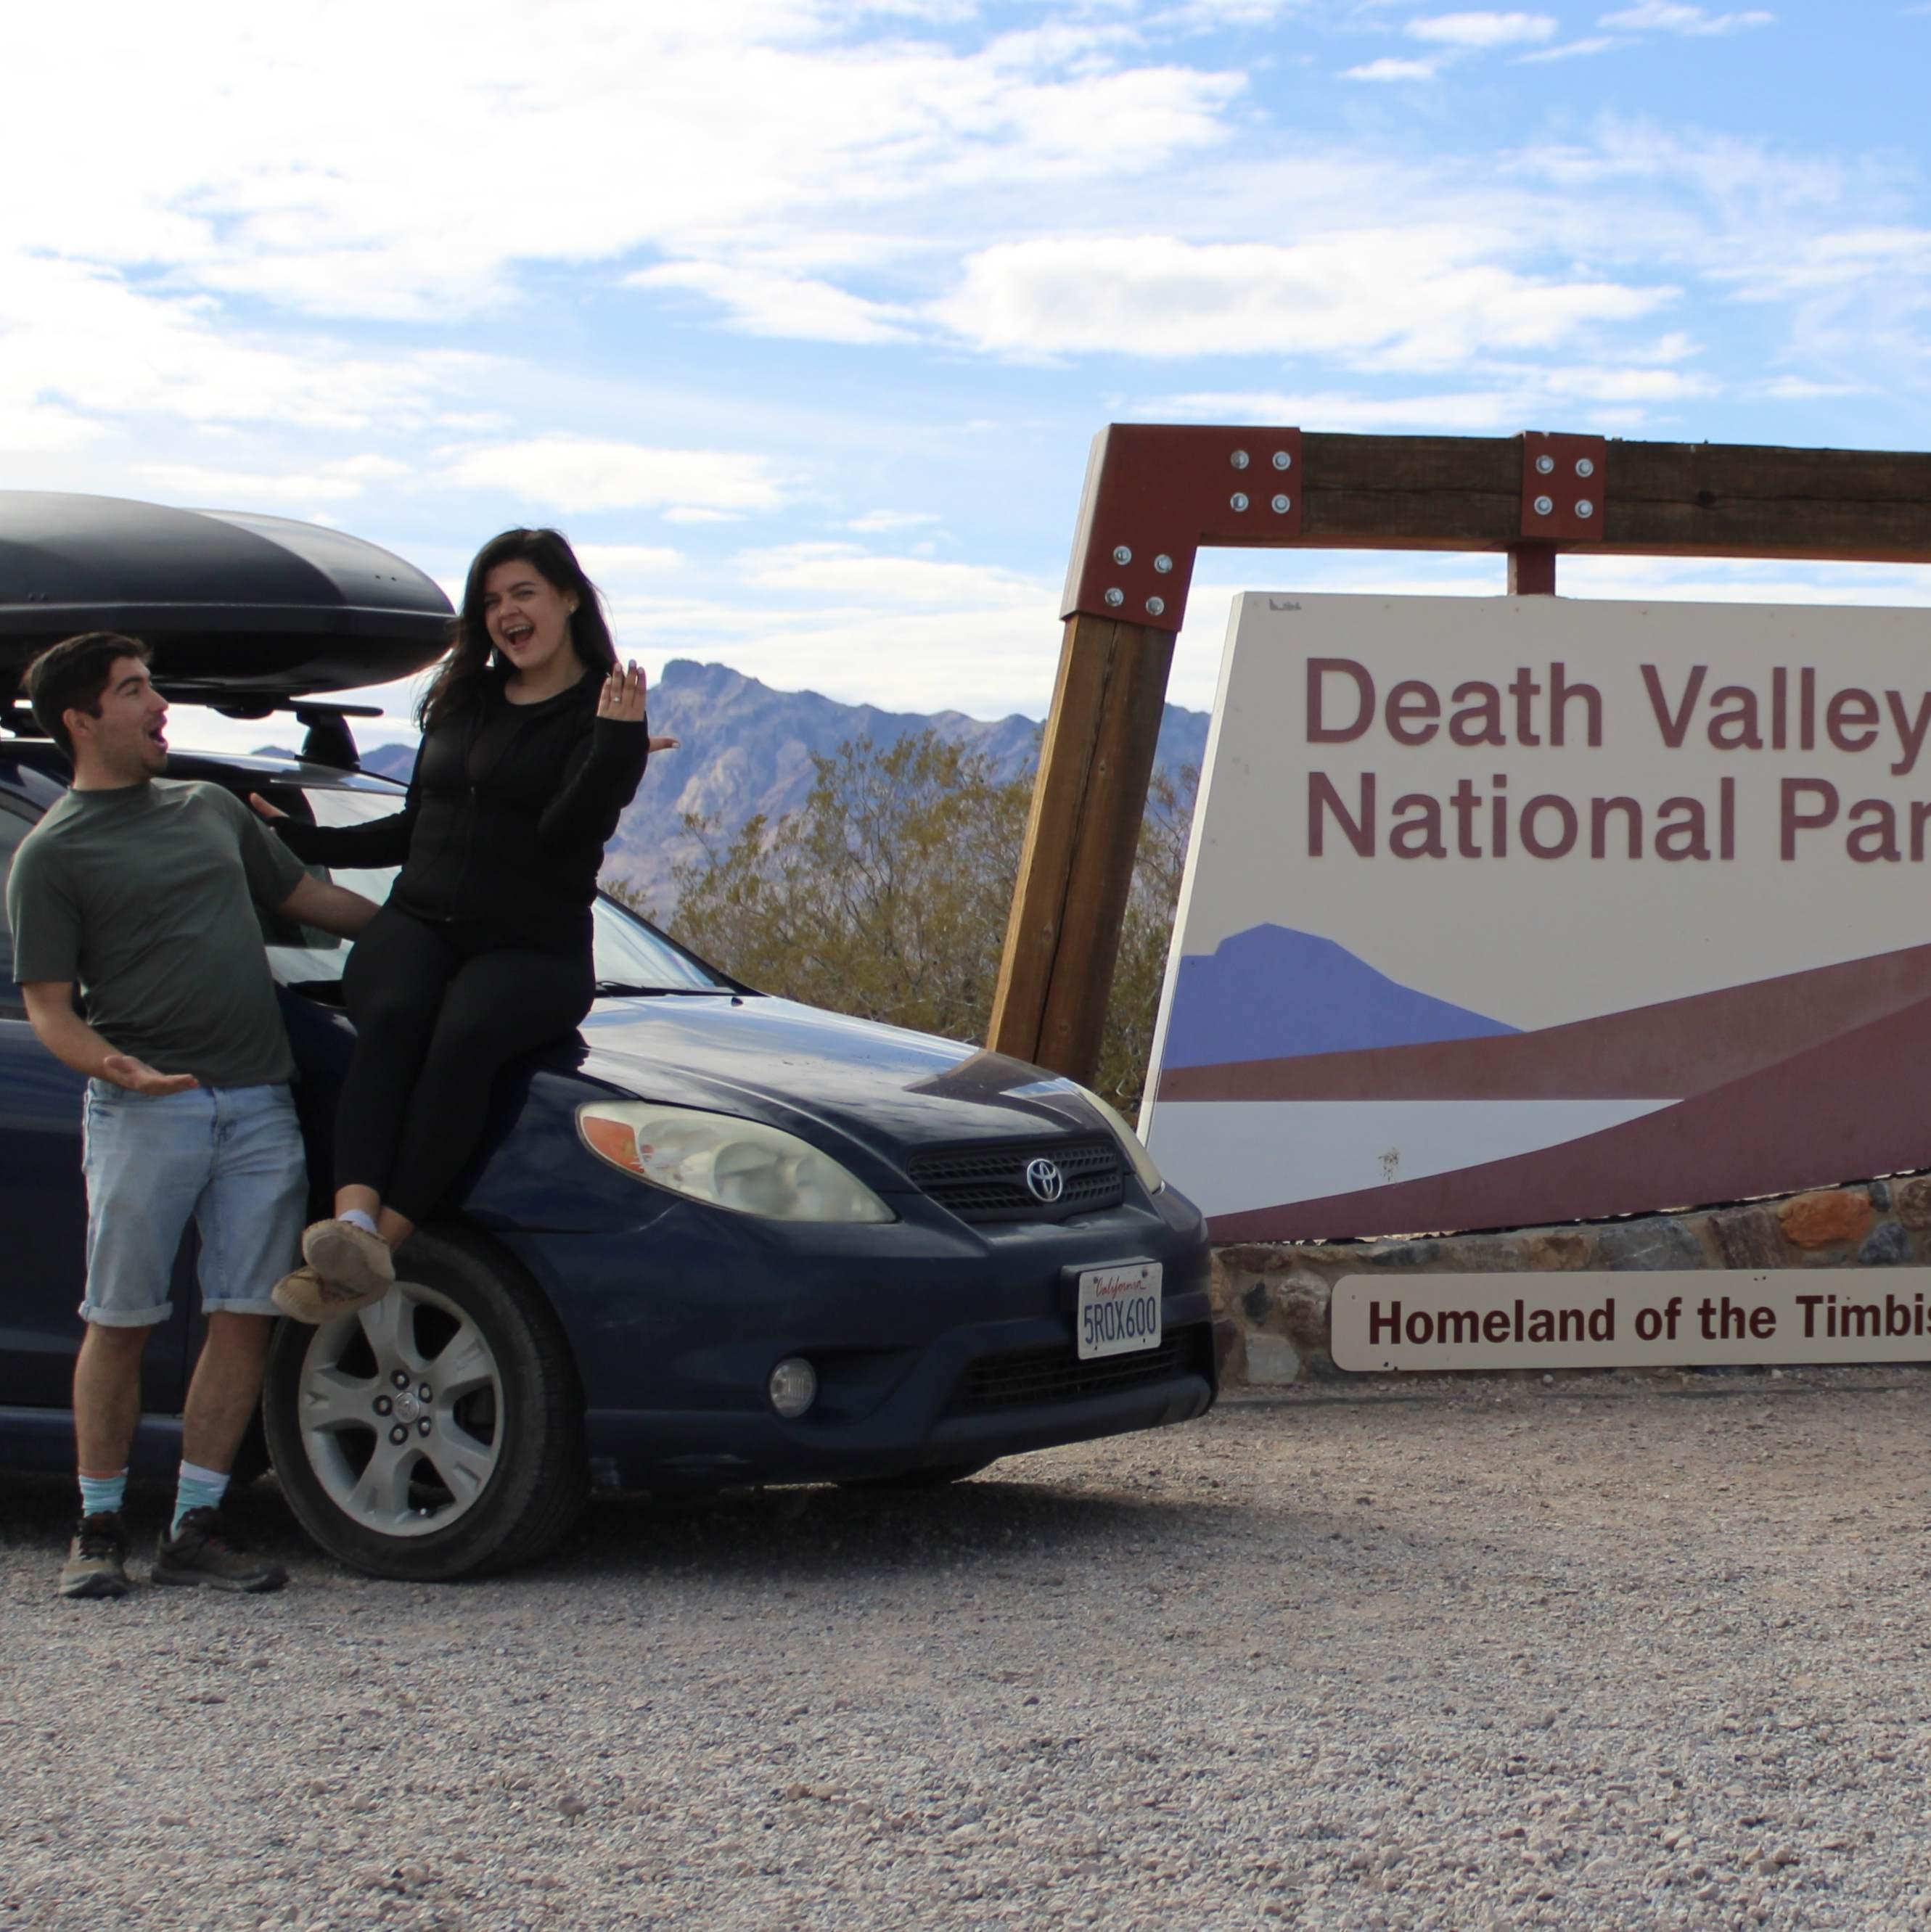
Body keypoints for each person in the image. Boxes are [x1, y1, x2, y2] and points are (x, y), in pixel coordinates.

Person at [9, 633, 380, 1599]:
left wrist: (438, 936)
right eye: (135, 691)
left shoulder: (210, 807)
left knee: (245, 1316)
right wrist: (112, 1065)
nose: (158, 705)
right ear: (82, 720)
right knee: (121, 1318)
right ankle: (97, 1526)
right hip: (144, 1115)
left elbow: (305, 896)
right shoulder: (51, 854)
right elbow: (50, 1004)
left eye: (154, 686)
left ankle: (196, 1524)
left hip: (259, 1104)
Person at [251, 528, 674, 1320]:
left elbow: (566, 836)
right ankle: (349, 1224)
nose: (505, 613)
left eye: (523, 594)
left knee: (467, 1033)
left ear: (569, 598)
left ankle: (375, 1246)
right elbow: (417, 823)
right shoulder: (466, 699)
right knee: (395, 1013)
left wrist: (616, 750)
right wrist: (303, 840)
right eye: (490, 601)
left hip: (531, 947)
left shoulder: (603, 715)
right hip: (420, 920)